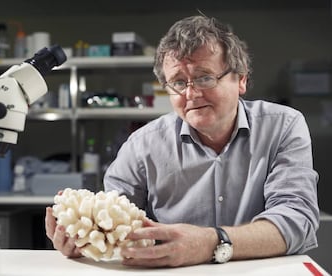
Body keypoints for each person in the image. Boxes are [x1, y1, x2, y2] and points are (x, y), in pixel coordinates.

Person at [45, 14, 319, 267]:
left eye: (204, 78)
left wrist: (210, 243)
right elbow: (114, 224)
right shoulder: (142, 145)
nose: (191, 93)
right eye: (178, 82)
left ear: (241, 79)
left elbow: (296, 220)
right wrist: (87, 238)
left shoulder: (283, 126)